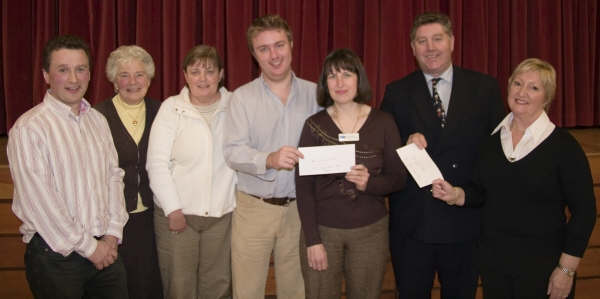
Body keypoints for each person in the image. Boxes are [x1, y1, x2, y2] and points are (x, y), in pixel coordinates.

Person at [432, 58, 597, 299]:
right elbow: (482, 192)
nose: (522, 92)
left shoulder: (564, 147)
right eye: (517, 83)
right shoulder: (492, 141)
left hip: (545, 270)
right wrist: (457, 194)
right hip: (495, 266)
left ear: (547, 96)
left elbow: (585, 212)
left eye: (534, 87)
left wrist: (566, 270)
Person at [380, 12, 506, 298]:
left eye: (437, 39)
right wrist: (404, 142)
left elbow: (496, 156)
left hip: (466, 222)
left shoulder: (485, 89)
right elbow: (382, 151)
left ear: (452, 41)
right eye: (422, 41)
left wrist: (469, 195)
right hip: (413, 226)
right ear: (412, 48)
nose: (430, 47)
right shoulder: (397, 92)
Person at [8, 34, 129, 299]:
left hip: (105, 252)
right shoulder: (29, 128)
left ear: (89, 73)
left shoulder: (97, 121)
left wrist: (111, 235)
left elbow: (113, 177)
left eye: (80, 69)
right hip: (56, 259)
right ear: (46, 76)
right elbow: (40, 202)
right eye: (63, 70)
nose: (73, 79)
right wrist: (90, 248)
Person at [295, 48, 407, 299]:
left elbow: (399, 178)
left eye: (346, 74)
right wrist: (312, 240)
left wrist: (370, 184)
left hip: (371, 232)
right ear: (325, 84)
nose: (340, 82)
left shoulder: (383, 122)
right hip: (323, 232)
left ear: (359, 79)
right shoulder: (314, 125)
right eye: (332, 76)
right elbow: (303, 188)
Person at [223, 14, 320, 299]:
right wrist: (269, 159)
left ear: (291, 44)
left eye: (279, 45)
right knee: (248, 291)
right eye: (263, 49)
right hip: (254, 209)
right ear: (254, 55)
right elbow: (232, 152)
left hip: (300, 211)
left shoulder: (316, 94)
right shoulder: (241, 98)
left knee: (296, 291)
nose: (273, 55)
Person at [146, 44, 235, 299]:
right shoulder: (171, 108)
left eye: (209, 71)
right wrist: (173, 209)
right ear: (185, 75)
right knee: (179, 287)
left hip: (221, 216)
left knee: (218, 287)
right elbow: (157, 163)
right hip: (178, 218)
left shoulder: (236, 106)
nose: (203, 78)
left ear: (221, 74)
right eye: (195, 71)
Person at [94, 45, 163, 299]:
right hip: (111, 222)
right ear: (113, 81)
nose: (132, 82)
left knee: (150, 286)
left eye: (139, 74)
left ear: (149, 78)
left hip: (152, 219)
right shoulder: (96, 117)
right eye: (124, 75)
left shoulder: (163, 112)